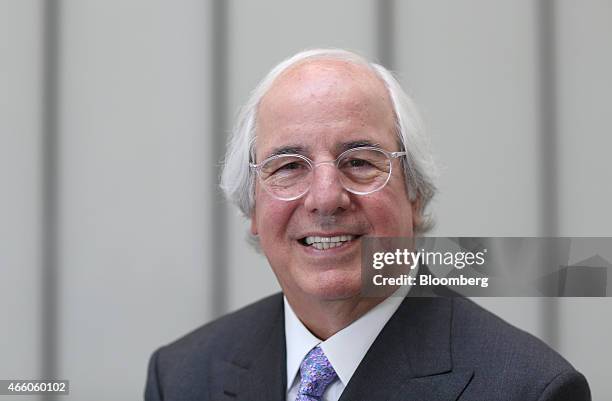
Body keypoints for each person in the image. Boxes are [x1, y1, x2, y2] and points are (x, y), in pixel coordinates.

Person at [144, 49, 590, 401]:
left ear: (415, 194)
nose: (325, 198)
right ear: (252, 209)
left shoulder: (530, 389)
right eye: (289, 167)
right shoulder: (181, 376)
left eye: (359, 161)